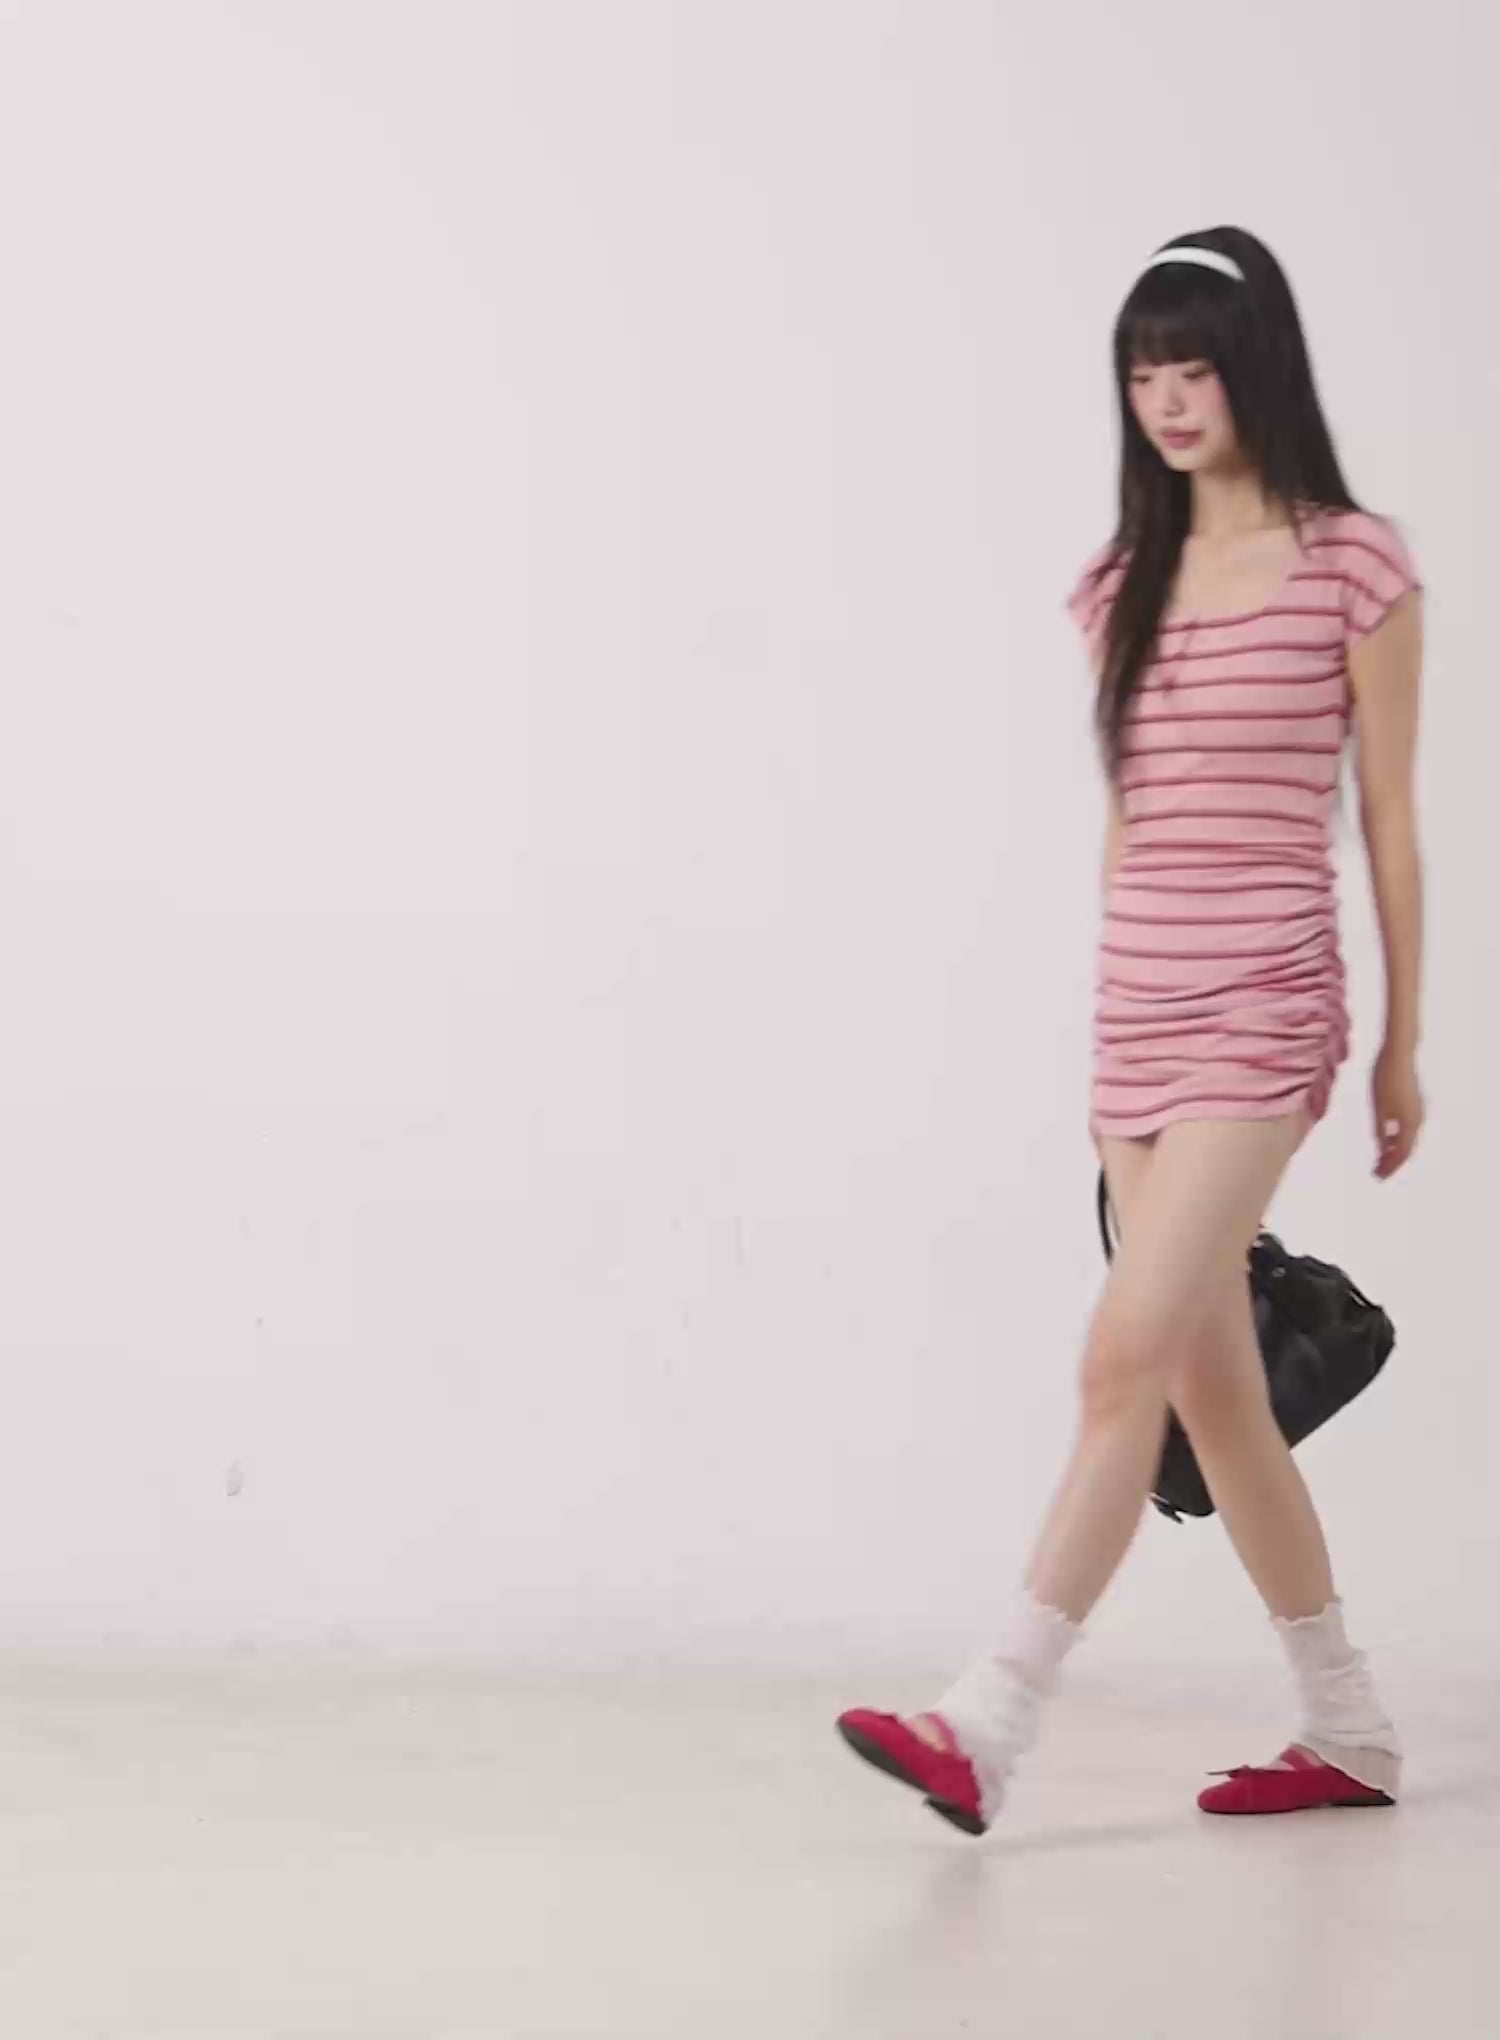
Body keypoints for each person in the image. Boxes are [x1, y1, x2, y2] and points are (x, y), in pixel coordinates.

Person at [836, 226, 1425, 1835]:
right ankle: (1351, 1727)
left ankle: (988, 1720)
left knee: (1122, 1360)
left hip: (1268, 1007)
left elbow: (1386, 818)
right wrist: (1112, 1040)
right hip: (1139, 1021)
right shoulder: (1122, 585)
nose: (1168, 399)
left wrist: (1399, 1041)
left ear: (1258, 371)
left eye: (1196, 368)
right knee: (1216, 1396)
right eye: (1143, 373)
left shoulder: (1353, 566)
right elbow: (1132, 820)